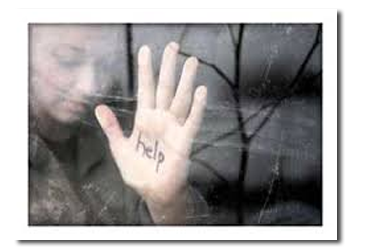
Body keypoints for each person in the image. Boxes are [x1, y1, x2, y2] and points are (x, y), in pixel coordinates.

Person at [29, 24, 209, 225]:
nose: (90, 87)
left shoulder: (127, 133)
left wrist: (169, 204)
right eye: (67, 60)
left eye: (104, 65)